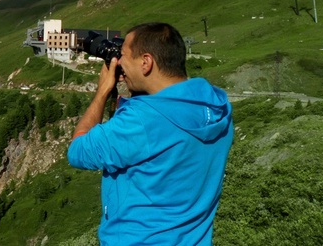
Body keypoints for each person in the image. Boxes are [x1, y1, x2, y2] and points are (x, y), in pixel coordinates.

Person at [67, 22, 234, 245]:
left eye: (123, 55)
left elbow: (78, 151)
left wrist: (103, 90)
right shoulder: (216, 106)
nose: (120, 64)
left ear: (146, 62)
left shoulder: (143, 120)